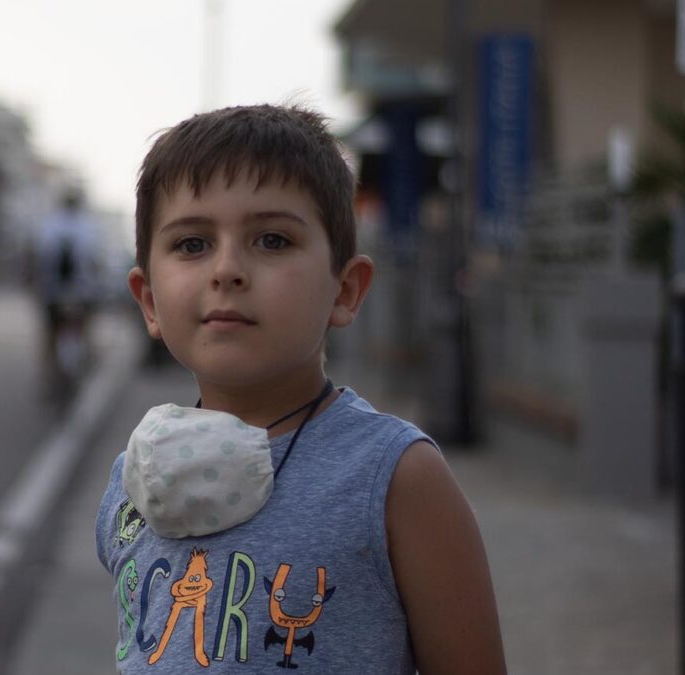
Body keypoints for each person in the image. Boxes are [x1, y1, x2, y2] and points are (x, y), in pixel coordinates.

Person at [95, 104, 505, 673]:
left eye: (272, 240)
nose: (226, 269)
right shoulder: (132, 477)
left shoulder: (395, 479)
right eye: (192, 244)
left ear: (345, 290)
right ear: (149, 301)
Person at [31, 187, 103, 394]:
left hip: (52, 290)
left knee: (49, 334)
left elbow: (39, 258)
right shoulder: (89, 226)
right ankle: (87, 361)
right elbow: (95, 261)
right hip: (82, 290)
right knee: (85, 328)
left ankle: (47, 378)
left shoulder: (49, 224)